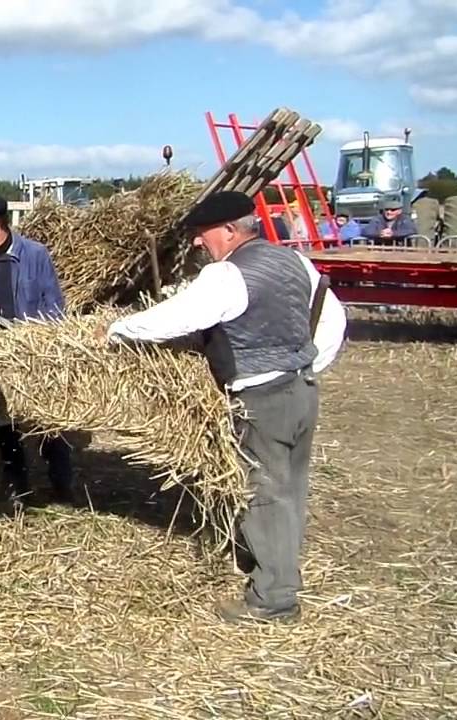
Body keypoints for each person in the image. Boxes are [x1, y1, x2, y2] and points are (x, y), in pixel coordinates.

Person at [104, 191, 346, 625]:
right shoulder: (294, 261)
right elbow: (333, 319)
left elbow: (176, 317)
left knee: (262, 494)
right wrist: (305, 365)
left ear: (231, 230)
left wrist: (119, 328)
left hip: (261, 400)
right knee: (290, 488)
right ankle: (278, 568)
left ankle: (273, 599)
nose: (198, 242)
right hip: (301, 390)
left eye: (203, 233)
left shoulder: (228, 275)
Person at [0, 195, 73, 504]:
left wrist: (37, 344)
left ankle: (62, 484)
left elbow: (54, 306)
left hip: (34, 351)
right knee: (4, 424)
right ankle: (18, 488)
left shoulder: (35, 255)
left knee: (49, 422)